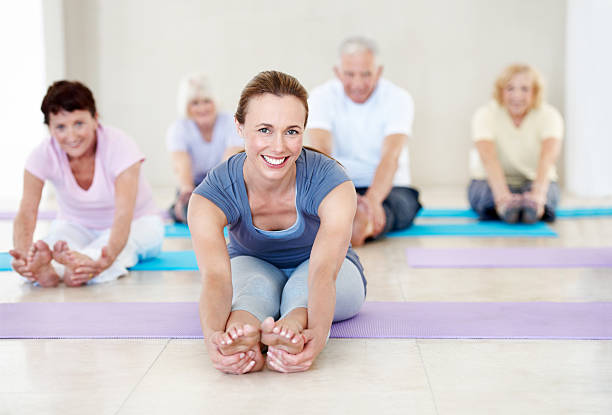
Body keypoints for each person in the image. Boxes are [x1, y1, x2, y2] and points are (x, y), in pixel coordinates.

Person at [188, 71, 366, 374]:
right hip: (250, 262)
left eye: (292, 131)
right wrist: (213, 341)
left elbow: (322, 274)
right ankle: (242, 338)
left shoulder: (333, 183)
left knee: (300, 291)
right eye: (265, 130)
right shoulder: (210, 196)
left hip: (329, 268)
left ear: (304, 131)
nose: (279, 146)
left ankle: (291, 330)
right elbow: (216, 278)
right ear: (239, 127)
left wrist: (317, 339)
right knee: (250, 293)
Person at [9, 80, 164, 287]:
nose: (71, 136)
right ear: (49, 128)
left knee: (113, 249)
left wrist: (106, 258)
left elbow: (123, 213)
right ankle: (49, 271)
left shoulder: (120, 145)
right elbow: (27, 211)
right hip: (76, 224)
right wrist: (24, 257)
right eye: (61, 127)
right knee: (54, 243)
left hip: (138, 223)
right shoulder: (42, 154)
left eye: (79, 124)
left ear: (95, 119)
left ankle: (80, 267)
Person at [307, 36, 421, 246]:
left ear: (378, 72)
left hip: (389, 189)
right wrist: (335, 195)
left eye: (366, 74)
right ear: (337, 72)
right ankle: (345, 221)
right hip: (338, 185)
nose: (358, 84)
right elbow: (320, 151)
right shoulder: (320, 96)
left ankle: (357, 224)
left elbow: (391, 155)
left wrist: (372, 201)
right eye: (350, 74)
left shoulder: (398, 98)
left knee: (387, 210)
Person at [468, 64, 564, 223]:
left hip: (535, 179)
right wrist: (501, 195)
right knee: (485, 195)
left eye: (525, 89)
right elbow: (488, 157)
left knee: (546, 197)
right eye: (510, 88)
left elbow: (548, 156)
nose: (517, 95)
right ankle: (509, 209)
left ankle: (531, 209)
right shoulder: (485, 114)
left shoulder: (550, 116)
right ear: (500, 91)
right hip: (491, 180)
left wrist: (538, 193)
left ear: (535, 92)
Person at [166, 73, 243, 223]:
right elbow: (181, 164)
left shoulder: (230, 122)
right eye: (195, 103)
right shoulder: (178, 128)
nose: (202, 108)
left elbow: (230, 160)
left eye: (207, 101)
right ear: (186, 107)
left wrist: (218, 192)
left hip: (223, 183)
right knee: (190, 212)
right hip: (193, 185)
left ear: (215, 102)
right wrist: (187, 192)